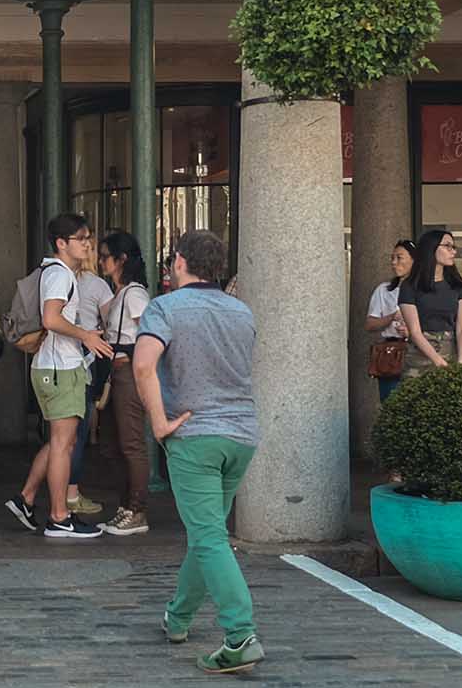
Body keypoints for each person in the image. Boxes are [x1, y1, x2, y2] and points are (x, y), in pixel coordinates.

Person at [135, 231, 264, 674]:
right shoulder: (241, 311)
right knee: (205, 532)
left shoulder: (165, 307)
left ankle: (240, 635)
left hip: (193, 434)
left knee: (209, 536)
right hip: (241, 434)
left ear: (179, 261)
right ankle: (179, 617)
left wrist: (158, 423)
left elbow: (142, 364)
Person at [3, 213, 114, 539]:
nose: (88, 244)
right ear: (61, 243)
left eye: (88, 237)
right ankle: (59, 516)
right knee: (64, 445)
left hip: (55, 366)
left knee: (58, 443)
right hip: (59, 368)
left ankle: (26, 499)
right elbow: (51, 319)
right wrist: (86, 335)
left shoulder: (56, 273)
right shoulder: (60, 275)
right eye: (81, 238)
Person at [96, 230, 153, 536]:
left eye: (105, 256)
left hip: (127, 372)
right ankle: (126, 506)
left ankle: (137, 508)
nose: (101, 261)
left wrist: (129, 355)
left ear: (122, 260)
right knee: (112, 443)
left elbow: (149, 334)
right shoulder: (120, 293)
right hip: (115, 372)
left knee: (130, 442)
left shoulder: (135, 294)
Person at [65, 228, 115, 521]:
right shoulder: (98, 286)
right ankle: (71, 493)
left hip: (55, 362)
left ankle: (50, 493)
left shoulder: (58, 279)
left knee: (60, 434)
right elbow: (110, 325)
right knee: (79, 431)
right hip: (84, 360)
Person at [398, 227, 462, 378]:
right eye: (447, 246)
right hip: (418, 357)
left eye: (454, 247)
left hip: (450, 350)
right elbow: (415, 332)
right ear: (431, 249)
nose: (453, 252)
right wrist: (439, 362)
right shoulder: (410, 287)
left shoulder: (458, 286)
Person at [364, 238, 416, 402]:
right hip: (391, 352)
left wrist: (411, 331)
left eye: (399, 257)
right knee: (390, 401)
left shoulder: (424, 291)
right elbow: (370, 324)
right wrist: (392, 316)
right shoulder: (384, 290)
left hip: (418, 350)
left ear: (414, 260)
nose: (394, 263)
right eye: (392, 258)